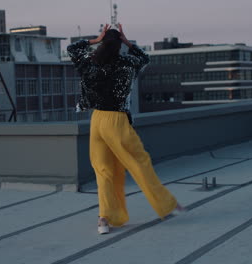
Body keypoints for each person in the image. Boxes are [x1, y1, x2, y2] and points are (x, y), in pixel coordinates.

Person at [67, 23, 184, 235]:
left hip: (97, 121)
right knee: (139, 163)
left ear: (103, 42)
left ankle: (104, 219)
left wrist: (94, 40)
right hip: (116, 120)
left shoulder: (91, 63)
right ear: (119, 45)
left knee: (103, 171)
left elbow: (72, 49)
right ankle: (167, 205)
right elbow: (145, 58)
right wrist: (128, 42)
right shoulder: (127, 63)